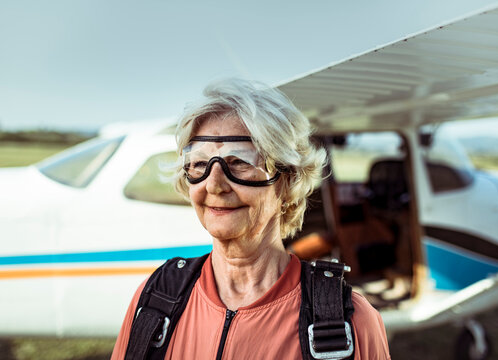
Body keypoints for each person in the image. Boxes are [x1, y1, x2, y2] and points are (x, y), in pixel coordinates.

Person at [111, 79, 391, 359]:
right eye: (198, 164)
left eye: (240, 162)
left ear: (288, 181)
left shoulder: (350, 323)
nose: (214, 185)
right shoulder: (154, 301)